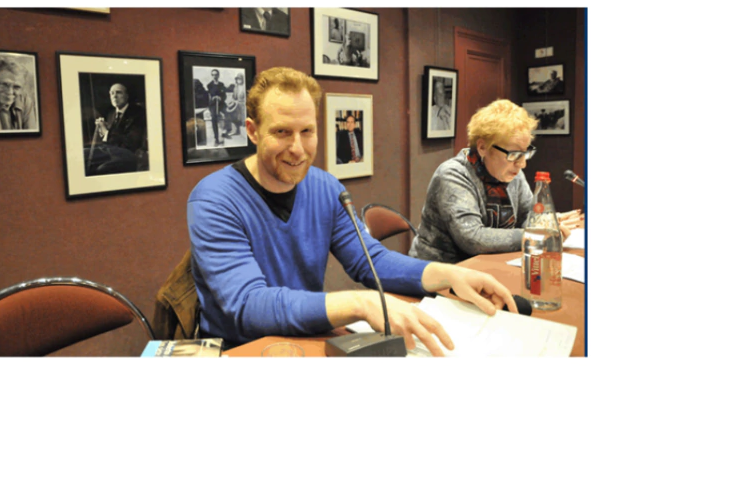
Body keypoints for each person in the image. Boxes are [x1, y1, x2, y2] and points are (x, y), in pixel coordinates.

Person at [187, 67, 518, 355]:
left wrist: (449, 275)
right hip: (243, 349)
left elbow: (371, 260)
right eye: (281, 132)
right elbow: (248, 305)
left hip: (307, 337)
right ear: (252, 131)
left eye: (307, 131)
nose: (297, 149)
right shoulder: (215, 199)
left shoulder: (326, 188)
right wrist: (362, 303)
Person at [409, 98, 583, 264]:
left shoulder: (512, 172)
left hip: (486, 264)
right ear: (483, 147)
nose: (522, 164)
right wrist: (537, 234)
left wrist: (545, 222)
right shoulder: (453, 175)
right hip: (440, 270)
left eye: (525, 153)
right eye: (514, 154)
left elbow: (526, 216)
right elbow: (472, 238)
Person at [85, 82, 147, 174]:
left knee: (98, 169)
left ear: (127, 96)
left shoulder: (138, 113)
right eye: (112, 93)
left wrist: (106, 132)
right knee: (84, 155)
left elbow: (131, 143)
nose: (114, 96)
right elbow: (111, 138)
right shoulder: (111, 114)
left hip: (127, 156)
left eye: (119, 92)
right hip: (110, 152)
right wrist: (102, 129)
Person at [0, 56, 36, 130]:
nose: (10, 92)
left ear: (22, 88)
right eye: (4, 84)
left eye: (16, 87)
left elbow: (31, 133)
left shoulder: (25, 101)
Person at [205, 69, 227, 146]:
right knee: (214, 117)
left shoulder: (221, 84)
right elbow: (208, 96)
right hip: (213, 104)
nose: (215, 76)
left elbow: (224, 95)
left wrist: (220, 98)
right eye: (213, 75)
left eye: (216, 74)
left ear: (218, 75)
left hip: (221, 104)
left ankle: (225, 131)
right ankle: (216, 138)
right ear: (212, 75)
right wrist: (213, 98)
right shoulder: (209, 85)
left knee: (228, 113)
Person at [223, 73, 247, 139]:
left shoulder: (245, 87)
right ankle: (233, 130)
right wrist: (232, 102)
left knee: (242, 115)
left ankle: (242, 125)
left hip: (244, 104)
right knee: (231, 114)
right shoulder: (236, 88)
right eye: (238, 79)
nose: (239, 80)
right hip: (237, 104)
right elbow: (234, 97)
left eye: (240, 79)